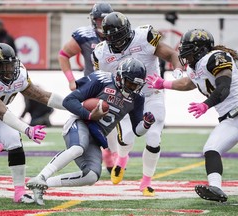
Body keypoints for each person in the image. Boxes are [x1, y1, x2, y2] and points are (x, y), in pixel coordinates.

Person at [26, 58, 155, 205]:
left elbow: (137, 131)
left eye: (136, 85)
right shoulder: (102, 79)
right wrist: (88, 115)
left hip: (96, 134)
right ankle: (41, 176)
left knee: (91, 176)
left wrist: (146, 124)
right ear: (119, 76)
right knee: (77, 148)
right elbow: (69, 101)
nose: (132, 88)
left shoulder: (137, 98)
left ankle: (44, 184)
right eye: (130, 83)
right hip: (80, 122)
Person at [146, 29, 238, 202]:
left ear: (200, 48)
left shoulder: (216, 57)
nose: (184, 53)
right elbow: (189, 83)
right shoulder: (196, 67)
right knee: (211, 149)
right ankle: (215, 188)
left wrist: (206, 104)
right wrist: (164, 83)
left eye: (188, 49)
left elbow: (224, 87)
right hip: (230, 119)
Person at [92, 11, 184, 196]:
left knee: (154, 137)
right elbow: (100, 80)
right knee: (126, 138)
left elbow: (172, 54)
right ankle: (122, 159)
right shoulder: (101, 53)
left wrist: (178, 71)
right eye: (113, 39)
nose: (118, 43)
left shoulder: (144, 37)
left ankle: (146, 182)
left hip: (151, 94)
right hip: (125, 98)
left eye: (120, 37)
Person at [0, 43, 66, 203]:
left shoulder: (19, 73)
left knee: (14, 139)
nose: (10, 69)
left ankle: (19, 192)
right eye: (5, 65)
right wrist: (27, 129)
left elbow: (41, 95)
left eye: (11, 64)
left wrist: (74, 106)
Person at [58, 3, 116, 173]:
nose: (101, 24)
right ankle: (101, 153)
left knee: (114, 123)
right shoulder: (85, 35)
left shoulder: (121, 34)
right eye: (98, 20)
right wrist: (71, 80)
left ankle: (111, 152)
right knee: (90, 120)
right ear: (93, 20)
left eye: (104, 20)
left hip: (114, 85)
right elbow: (63, 55)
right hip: (93, 85)